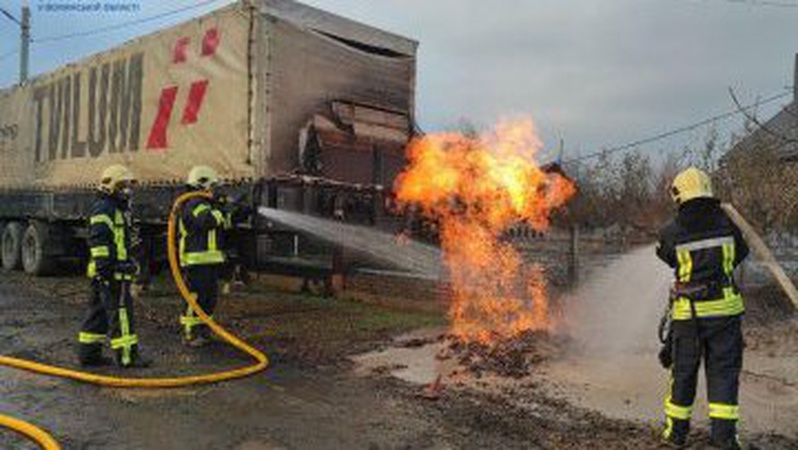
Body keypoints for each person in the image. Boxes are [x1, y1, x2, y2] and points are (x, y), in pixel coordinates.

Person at [656, 167, 749, 449]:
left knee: (683, 374)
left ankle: (675, 434)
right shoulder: (728, 223)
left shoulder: (671, 231)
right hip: (725, 314)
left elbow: (666, 255)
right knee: (723, 373)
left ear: (679, 194)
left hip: (688, 318)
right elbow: (741, 253)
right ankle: (724, 438)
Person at [78, 165, 150, 368]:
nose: (127, 191)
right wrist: (109, 270)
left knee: (97, 315)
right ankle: (128, 357)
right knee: (121, 315)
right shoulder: (105, 209)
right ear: (110, 186)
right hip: (111, 273)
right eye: (123, 187)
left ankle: (89, 355)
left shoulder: (116, 208)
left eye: (129, 187)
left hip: (106, 272)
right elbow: (100, 243)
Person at [178, 165, 232, 347]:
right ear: (201, 183)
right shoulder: (193, 203)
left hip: (208, 261)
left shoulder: (207, 205)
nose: (213, 189)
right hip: (195, 262)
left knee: (208, 299)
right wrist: (221, 207)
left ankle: (204, 330)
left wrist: (238, 212)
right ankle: (190, 334)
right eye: (211, 185)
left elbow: (222, 223)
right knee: (195, 299)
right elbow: (207, 221)